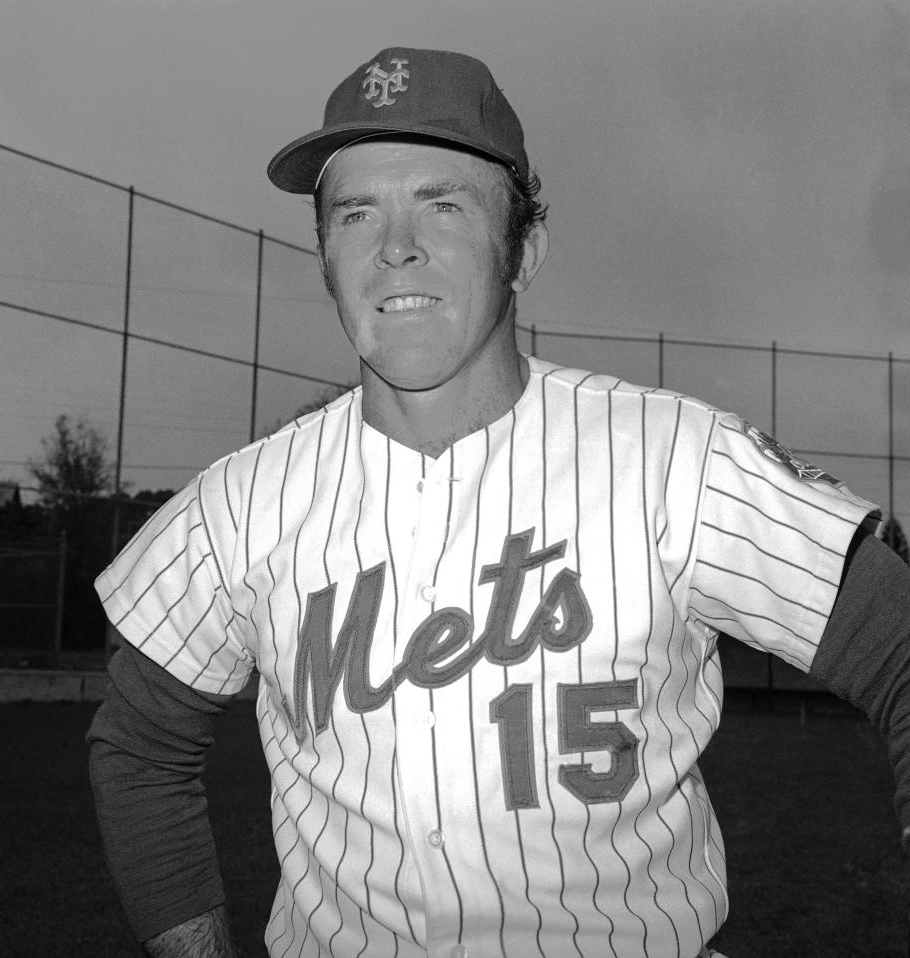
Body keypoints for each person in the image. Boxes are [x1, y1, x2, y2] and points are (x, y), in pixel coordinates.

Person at [87, 47, 910, 958]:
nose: (394, 245)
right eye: (356, 212)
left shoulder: (678, 462)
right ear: (324, 256)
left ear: (524, 252)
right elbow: (139, 750)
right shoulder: (238, 508)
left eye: (442, 203)